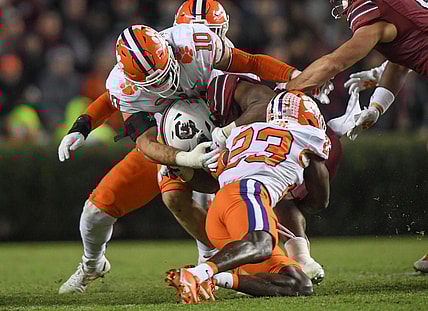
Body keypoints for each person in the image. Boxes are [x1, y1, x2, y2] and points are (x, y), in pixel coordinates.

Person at [57, 13, 301, 293]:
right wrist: (83, 125)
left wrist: (296, 77)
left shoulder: (196, 46)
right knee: (96, 212)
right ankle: (92, 264)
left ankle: (241, 263)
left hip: (223, 134)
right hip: (168, 142)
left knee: (234, 197)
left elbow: (252, 63)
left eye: (165, 72)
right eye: (154, 83)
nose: (166, 85)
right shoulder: (123, 86)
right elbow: (144, 141)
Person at [166, 90, 331, 303]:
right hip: (248, 194)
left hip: (221, 212)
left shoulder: (241, 133)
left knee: (298, 284)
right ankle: (197, 274)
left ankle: (216, 279)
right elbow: (320, 201)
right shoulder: (307, 134)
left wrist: (183, 171)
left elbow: (211, 183)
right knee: (260, 244)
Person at [286, 0, 428, 139]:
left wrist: (284, 94)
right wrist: (376, 107)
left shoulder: (371, 10)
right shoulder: (393, 11)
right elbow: (401, 62)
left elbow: (334, 63)